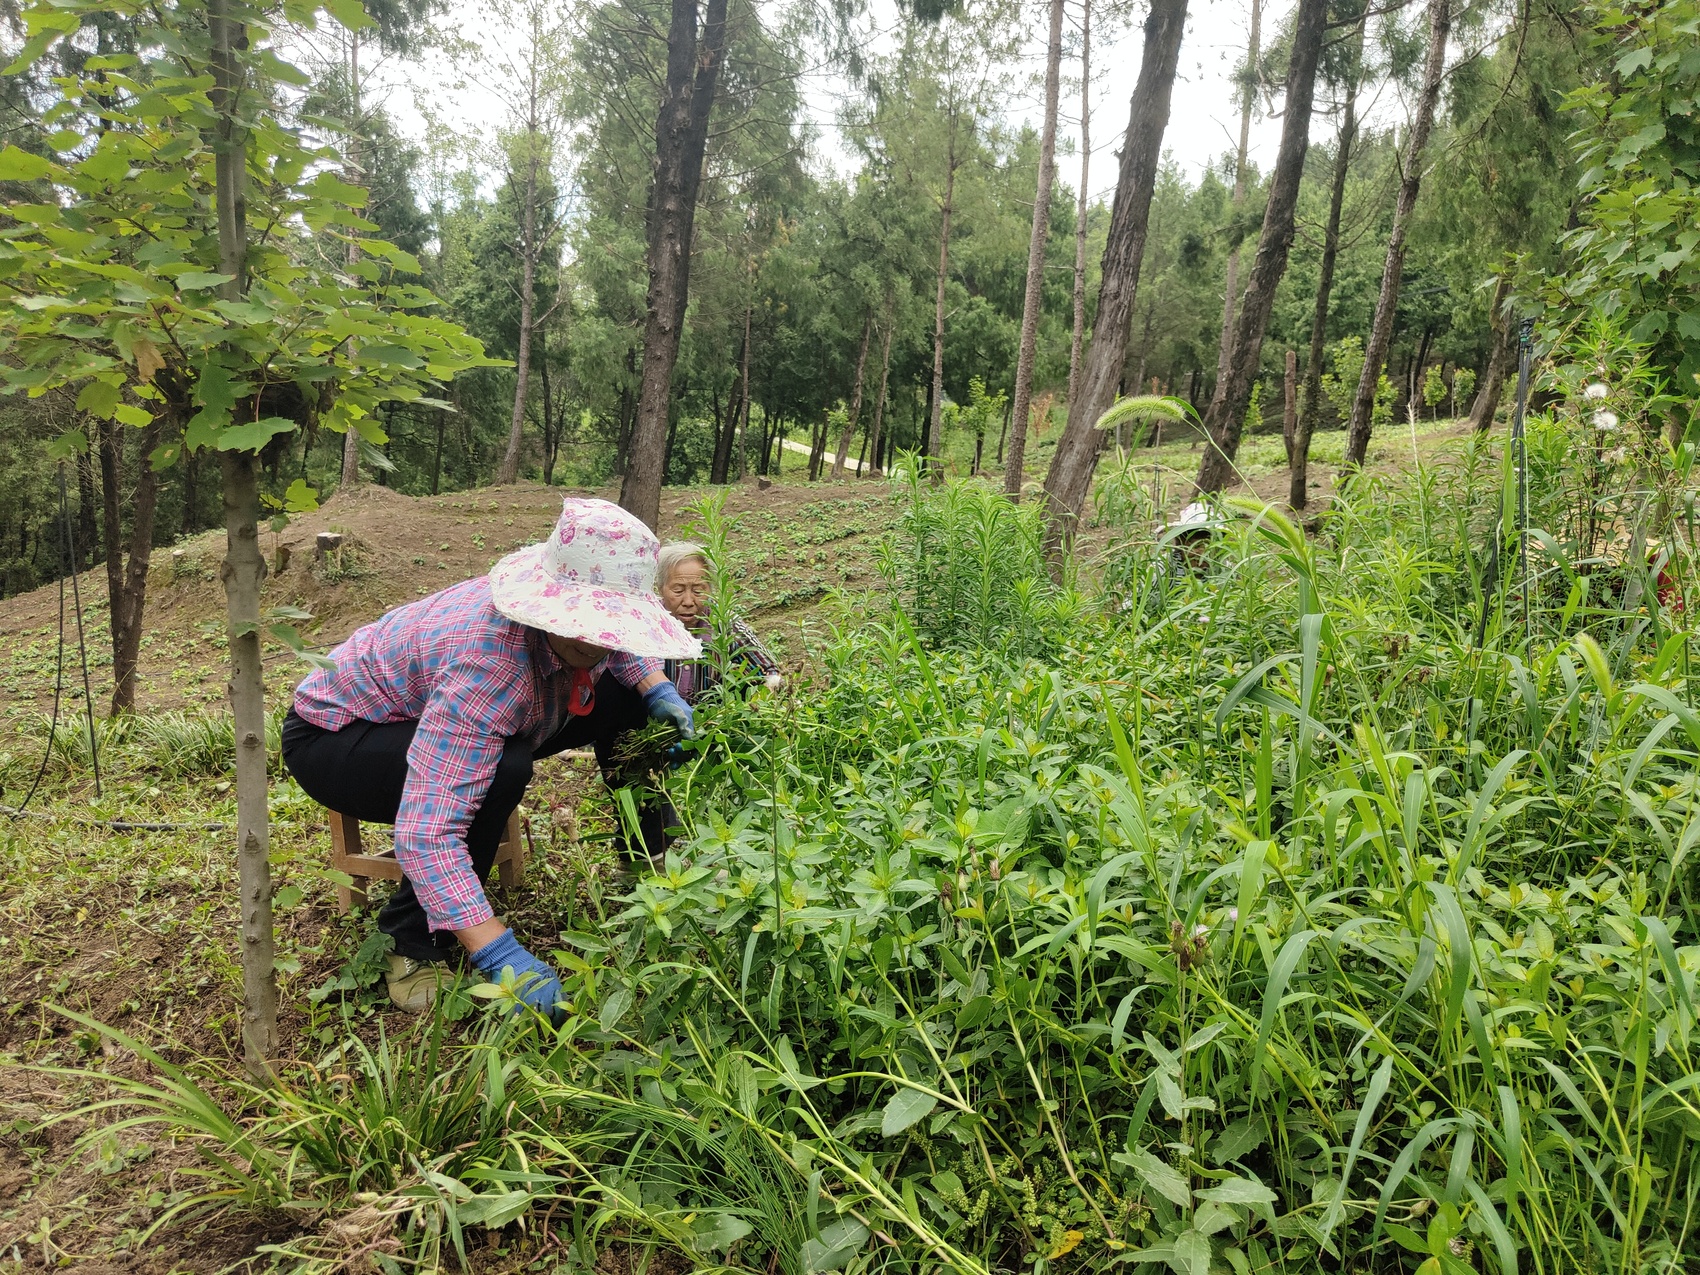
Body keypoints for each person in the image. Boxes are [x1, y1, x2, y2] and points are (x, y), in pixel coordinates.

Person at [281, 498, 701, 1018]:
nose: (597, 640)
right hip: (341, 737)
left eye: (610, 624)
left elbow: (613, 640)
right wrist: (496, 950)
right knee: (501, 768)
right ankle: (410, 943)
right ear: (550, 607)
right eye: (584, 622)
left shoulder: (581, 631)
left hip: (490, 709)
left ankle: (647, 859)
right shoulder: (488, 668)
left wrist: (657, 690)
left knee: (632, 701)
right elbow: (427, 831)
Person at [652, 540, 782, 701]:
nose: (688, 601)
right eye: (678, 590)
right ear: (660, 588)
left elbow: (769, 671)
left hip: (713, 717)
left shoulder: (724, 622)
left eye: (698, 591)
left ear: (711, 590)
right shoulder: (648, 621)